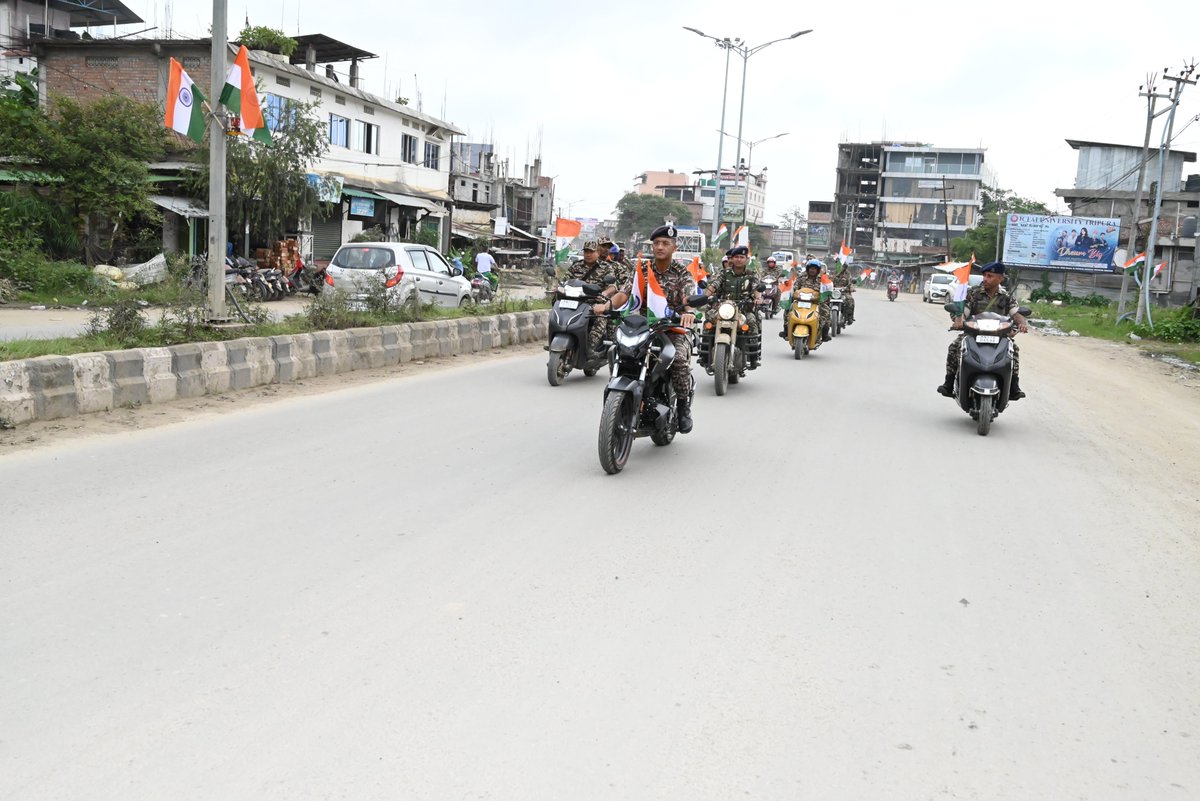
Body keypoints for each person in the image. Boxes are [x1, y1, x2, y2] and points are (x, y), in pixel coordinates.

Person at [606, 224, 702, 433]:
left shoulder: (681, 273)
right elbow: (625, 293)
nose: (660, 247)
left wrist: (688, 311)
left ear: (673, 247)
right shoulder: (642, 269)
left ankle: (684, 408)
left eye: (665, 243)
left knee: (678, 360)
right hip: (642, 327)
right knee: (618, 350)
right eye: (657, 243)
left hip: (672, 327)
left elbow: (687, 297)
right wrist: (606, 306)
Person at [937, 261, 1028, 400]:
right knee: (954, 347)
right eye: (984, 275)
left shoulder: (1006, 296)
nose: (985, 279)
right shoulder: (973, 293)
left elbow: (1016, 314)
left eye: (990, 276)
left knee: (1013, 350)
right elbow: (962, 311)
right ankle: (948, 383)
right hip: (973, 333)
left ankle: (1014, 386)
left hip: (999, 335)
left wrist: (1022, 324)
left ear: (1000, 278)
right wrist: (958, 321)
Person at [563, 240, 624, 356]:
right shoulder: (576, 266)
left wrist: (605, 293)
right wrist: (558, 288)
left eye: (591, 251)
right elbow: (565, 281)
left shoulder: (606, 267)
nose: (588, 254)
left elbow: (613, 286)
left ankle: (590, 348)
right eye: (586, 251)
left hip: (595, 302)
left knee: (601, 317)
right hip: (575, 301)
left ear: (598, 252)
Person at [705, 245, 763, 367]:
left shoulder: (751, 274)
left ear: (746, 259)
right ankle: (705, 354)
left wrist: (757, 298)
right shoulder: (724, 273)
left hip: (743, 310)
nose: (739, 259)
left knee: (752, 322)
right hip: (724, 309)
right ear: (732, 258)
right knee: (709, 320)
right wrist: (705, 296)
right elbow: (714, 285)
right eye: (736, 257)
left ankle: (753, 356)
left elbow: (756, 288)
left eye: (742, 257)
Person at [780, 259, 830, 344]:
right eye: (811, 268)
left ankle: (824, 334)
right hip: (800, 300)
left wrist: (825, 297)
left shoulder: (822, 279)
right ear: (807, 269)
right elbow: (795, 287)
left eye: (814, 268)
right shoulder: (801, 277)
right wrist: (792, 291)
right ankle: (786, 331)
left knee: (826, 311)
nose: (812, 270)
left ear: (818, 270)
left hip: (816, 302)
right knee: (788, 310)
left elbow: (826, 289)